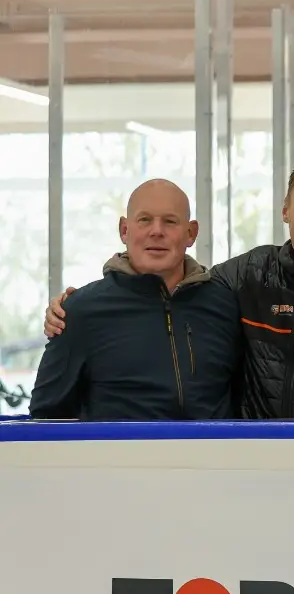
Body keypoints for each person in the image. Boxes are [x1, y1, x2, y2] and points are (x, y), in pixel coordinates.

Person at [46, 156, 294, 420]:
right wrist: (76, 305)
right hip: (249, 467)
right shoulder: (249, 275)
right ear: (286, 211)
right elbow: (170, 279)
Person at [30, 180, 240, 420]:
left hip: (212, 456)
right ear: (124, 230)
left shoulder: (225, 304)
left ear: (191, 233)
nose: (157, 231)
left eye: (170, 221)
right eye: (145, 220)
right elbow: (46, 417)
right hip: (115, 458)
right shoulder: (80, 312)